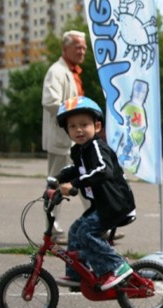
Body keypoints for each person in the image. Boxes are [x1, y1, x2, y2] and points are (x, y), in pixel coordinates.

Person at [54, 96, 136, 290]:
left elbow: (102, 170)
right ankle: (76, 274)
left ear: (97, 126)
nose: (79, 130)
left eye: (84, 124)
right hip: (101, 205)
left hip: (116, 204)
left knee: (86, 232)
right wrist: (58, 179)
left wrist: (74, 184)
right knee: (75, 230)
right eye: (72, 126)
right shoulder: (80, 150)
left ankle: (116, 267)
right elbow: (77, 168)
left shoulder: (97, 147)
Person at [42, 30, 87, 242]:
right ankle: (52, 229)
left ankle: (99, 224)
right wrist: (76, 117)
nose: (82, 51)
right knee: (56, 184)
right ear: (65, 48)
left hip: (75, 138)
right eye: (78, 47)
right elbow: (50, 102)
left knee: (87, 178)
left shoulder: (73, 72)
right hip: (62, 140)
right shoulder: (56, 71)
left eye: (84, 47)